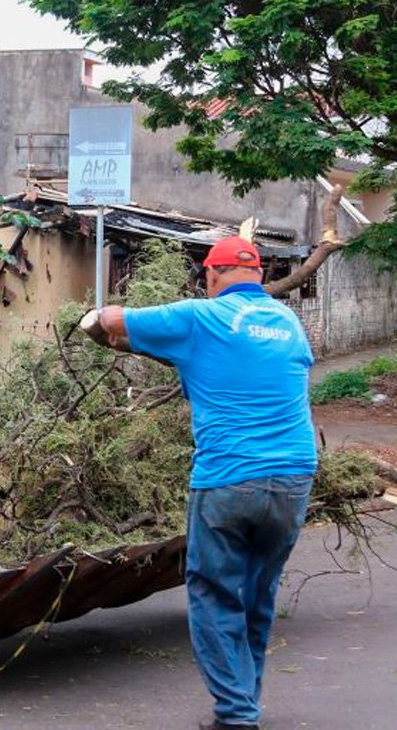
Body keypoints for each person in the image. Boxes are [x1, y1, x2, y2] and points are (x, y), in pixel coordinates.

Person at [77, 236, 317, 730]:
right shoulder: (289, 324)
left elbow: (109, 322)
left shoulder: (198, 317)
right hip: (294, 476)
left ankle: (236, 715)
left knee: (213, 592)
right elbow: (243, 368)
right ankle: (245, 703)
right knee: (258, 592)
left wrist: (96, 323)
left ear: (211, 276)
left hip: (229, 479)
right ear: (258, 275)